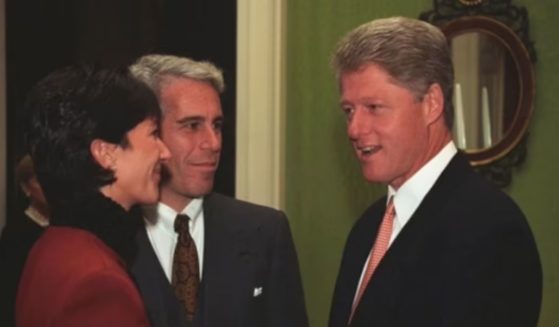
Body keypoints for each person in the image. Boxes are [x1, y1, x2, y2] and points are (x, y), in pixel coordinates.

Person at [328, 17, 542, 327]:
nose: (355, 128)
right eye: (349, 111)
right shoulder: (367, 229)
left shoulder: (492, 229)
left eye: (373, 107)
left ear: (431, 103)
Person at [129, 54, 309, 327]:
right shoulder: (106, 240)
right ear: (150, 131)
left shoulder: (264, 232)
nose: (213, 143)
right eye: (192, 126)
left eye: (217, 126)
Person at [15, 65, 171, 327]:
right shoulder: (99, 283)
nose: (165, 152)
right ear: (106, 153)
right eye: (154, 134)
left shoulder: (54, 244)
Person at [0, 155, 49, 327]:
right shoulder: (16, 233)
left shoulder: (67, 226)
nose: (47, 187)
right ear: (25, 188)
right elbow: (8, 294)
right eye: (39, 180)